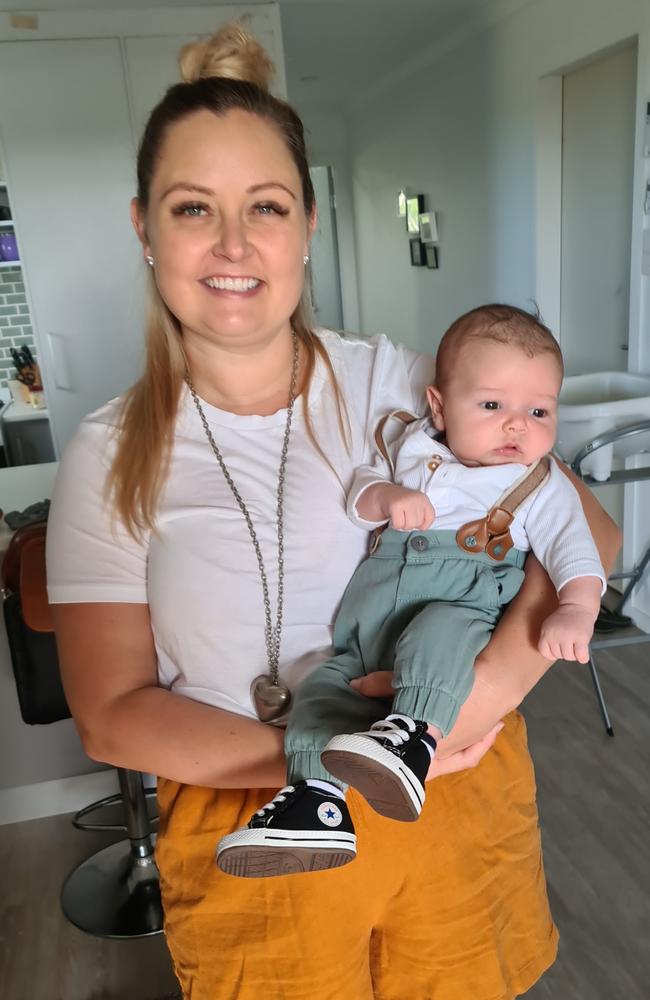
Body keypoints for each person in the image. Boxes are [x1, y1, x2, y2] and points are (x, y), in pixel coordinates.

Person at [46, 23, 620, 1000]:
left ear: (307, 222)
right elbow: (109, 715)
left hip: (453, 794)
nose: (233, 245)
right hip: (253, 819)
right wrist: (329, 762)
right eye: (194, 208)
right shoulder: (108, 451)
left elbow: (582, 532)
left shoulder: (399, 381)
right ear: (145, 227)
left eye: (264, 206)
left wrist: (464, 702)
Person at [217, 305, 606, 876]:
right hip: (365, 628)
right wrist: (386, 500)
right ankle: (316, 802)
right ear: (440, 407)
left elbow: (577, 548)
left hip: (458, 607)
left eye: (539, 410)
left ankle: (413, 736)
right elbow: (360, 492)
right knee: (323, 689)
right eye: (493, 405)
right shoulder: (410, 446)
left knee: (439, 632)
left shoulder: (538, 483)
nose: (518, 424)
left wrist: (577, 606)